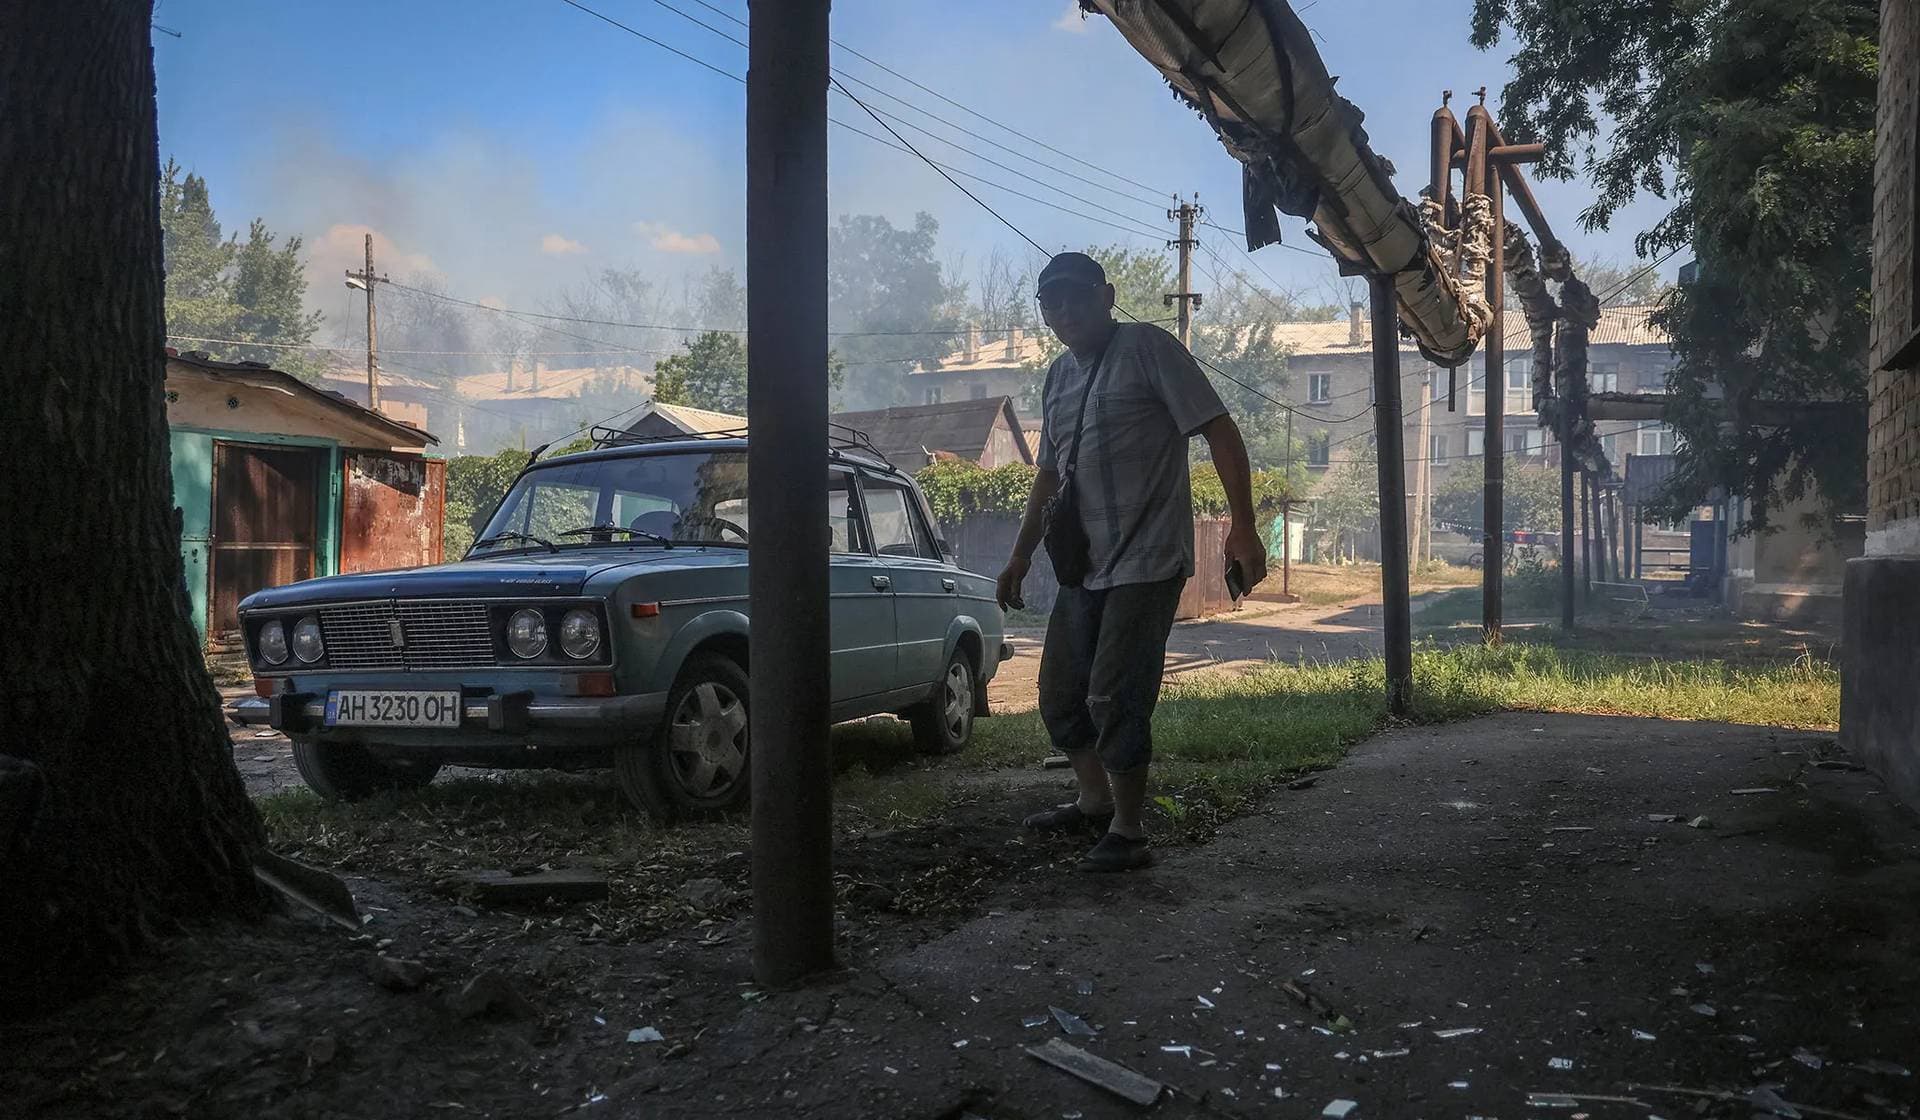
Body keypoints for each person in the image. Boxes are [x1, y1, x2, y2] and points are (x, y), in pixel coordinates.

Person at [997, 251, 1267, 872]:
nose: (1062, 311)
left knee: (1116, 694)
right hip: (1083, 565)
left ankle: (1129, 829)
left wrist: (1243, 529)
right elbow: (1047, 476)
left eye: (1073, 296)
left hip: (1147, 559)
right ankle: (1093, 801)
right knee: (1060, 694)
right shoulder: (1059, 377)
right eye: (1049, 302)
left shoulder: (1150, 348)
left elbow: (1220, 431)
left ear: (1106, 295)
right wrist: (1019, 556)